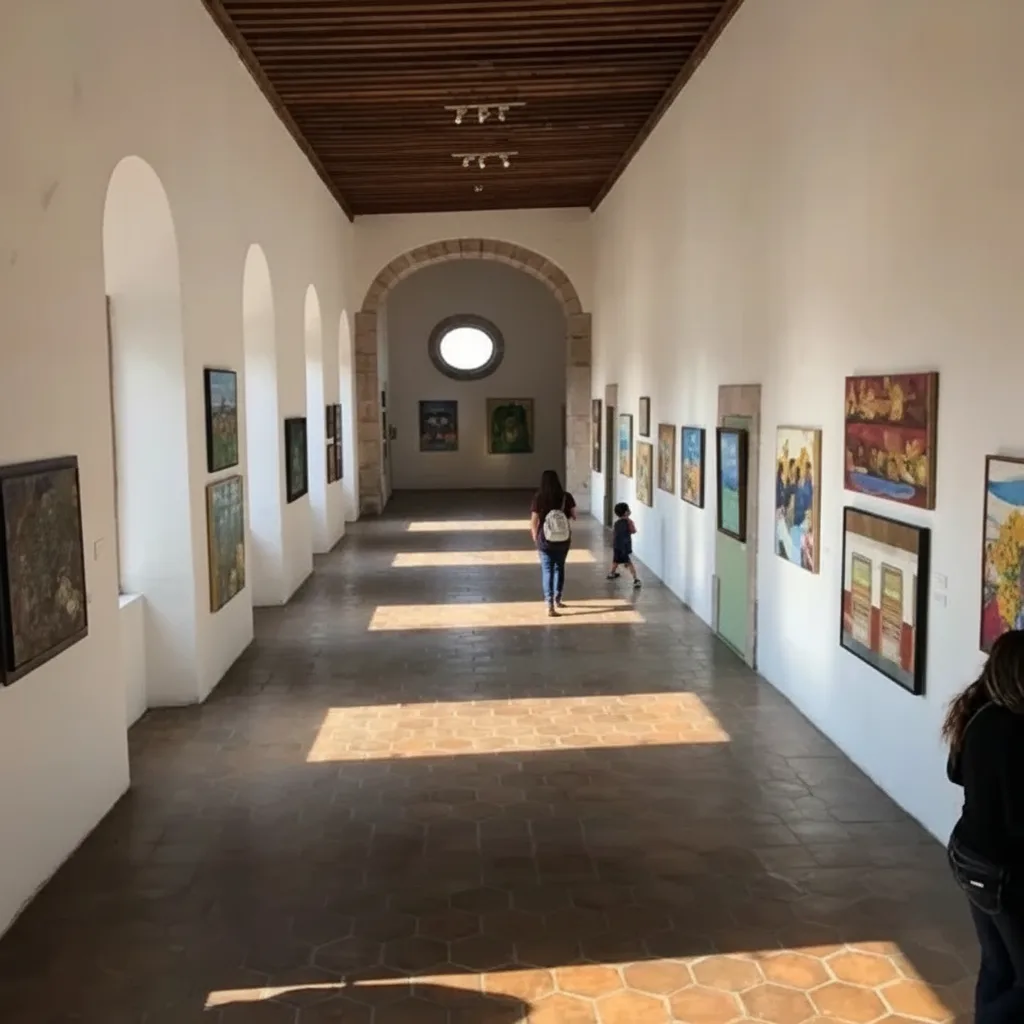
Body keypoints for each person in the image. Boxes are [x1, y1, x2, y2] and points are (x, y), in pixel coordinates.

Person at [944, 630, 1024, 1023]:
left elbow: (955, 773)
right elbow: (1018, 822)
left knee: (997, 964)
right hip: (999, 870)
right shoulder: (1015, 729)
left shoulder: (980, 712)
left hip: (966, 854)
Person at [529, 470, 577, 616]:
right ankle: (558, 599)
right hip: (563, 539)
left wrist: (535, 537)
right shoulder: (566, 496)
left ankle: (549, 604)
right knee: (559, 568)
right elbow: (574, 515)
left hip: (545, 539)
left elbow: (534, 521)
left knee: (547, 570)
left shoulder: (539, 497)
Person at [606, 502, 641, 589]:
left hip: (617, 546)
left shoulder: (616, 523)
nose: (630, 510)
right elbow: (633, 531)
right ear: (626, 512)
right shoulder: (629, 522)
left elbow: (615, 534)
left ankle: (612, 573)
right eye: (628, 509)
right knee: (629, 563)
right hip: (624, 546)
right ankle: (636, 579)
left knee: (615, 561)